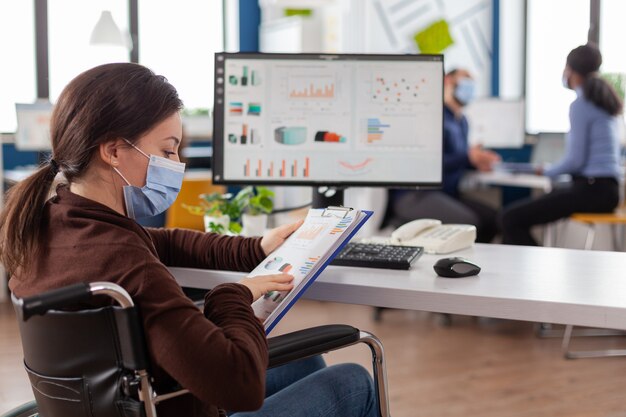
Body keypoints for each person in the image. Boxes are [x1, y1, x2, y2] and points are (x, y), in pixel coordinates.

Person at [0, 63, 377, 417]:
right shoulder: (127, 264)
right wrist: (234, 295)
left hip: (140, 402)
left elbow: (160, 242)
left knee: (303, 360)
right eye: (167, 150)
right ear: (113, 150)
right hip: (181, 403)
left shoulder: (48, 225)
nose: (176, 162)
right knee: (352, 382)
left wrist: (256, 247)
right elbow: (238, 387)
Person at [501, 43, 622, 246]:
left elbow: (575, 161)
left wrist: (545, 172)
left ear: (572, 71)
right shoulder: (603, 101)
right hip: (608, 192)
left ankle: (535, 271)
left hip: (593, 190)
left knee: (510, 219)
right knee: (532, 208)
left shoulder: (581, 104)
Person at [387, 69, 501, 243]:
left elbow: (457, 158)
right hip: (417, 195)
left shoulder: (462, 121)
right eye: (465, 82)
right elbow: (428, 164)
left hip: (447, 194)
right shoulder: (431, 117)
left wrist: (477, 161)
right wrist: (468, 157)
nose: (470, 88)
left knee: (494, 219)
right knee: (470, 223)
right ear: (448, 81)